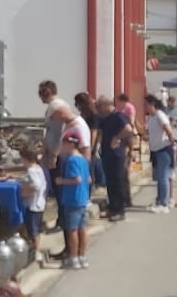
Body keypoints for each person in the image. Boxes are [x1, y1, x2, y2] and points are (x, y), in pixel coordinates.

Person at [55, 130, 92, 268]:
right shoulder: (83, 159)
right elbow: (88, 179)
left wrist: (61, 181)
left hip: (72, 198)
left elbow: (76, 179)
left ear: (71, 144)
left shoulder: (71, 160)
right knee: (82, 229)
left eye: (64, 144)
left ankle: (73, 257)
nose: (63, 147)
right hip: (83, 198)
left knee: (72, 230)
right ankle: (82, 256)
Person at [94, 96, 134, 220]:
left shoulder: (118, 116)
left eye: (100, 105)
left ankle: (119, 210)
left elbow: (128, 130)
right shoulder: (104, 118)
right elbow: (100, 132)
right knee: (110, 182)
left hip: (116, 153)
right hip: (106, 152)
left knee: (117, 181)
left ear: (107, 104)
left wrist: (117, 137)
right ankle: (112, 207)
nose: (98, 109)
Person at [145, 96, 176, 213]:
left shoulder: (159, 115)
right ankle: (159, 200)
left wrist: (172, 142)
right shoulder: (150, 118)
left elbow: (167, 128)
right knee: (159, 176)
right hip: (155, 149)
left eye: (146, 104)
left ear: (152, 104)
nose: (145, 106)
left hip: (164, 148)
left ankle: (164, 203)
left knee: (163, 176)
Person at [20, 147, 50, 244]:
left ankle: (36, 250)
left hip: (33, 204)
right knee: (37, 228)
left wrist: (25, 189)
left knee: (33, 230)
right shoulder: (39, 168)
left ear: (25, 158)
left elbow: (36, 185)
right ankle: (36, 248)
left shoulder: (31, 170)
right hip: (40, 203)